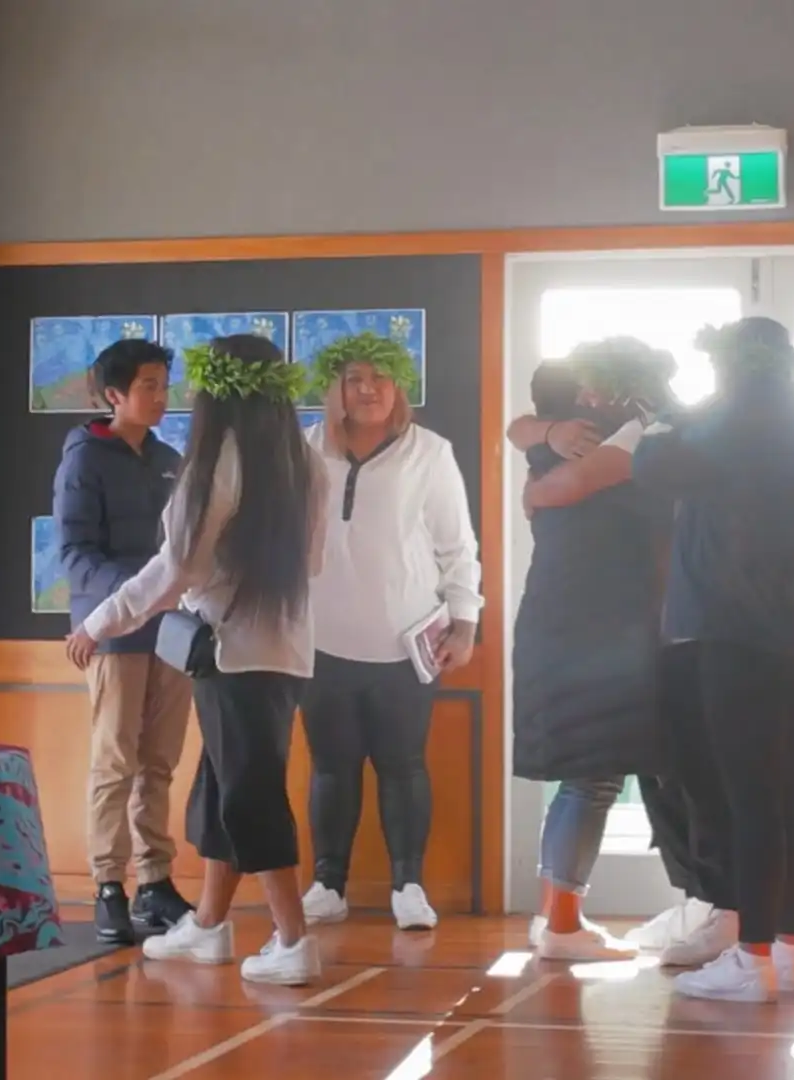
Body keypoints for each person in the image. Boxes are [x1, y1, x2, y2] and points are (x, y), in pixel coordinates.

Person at [64, 333, 332, 986]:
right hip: (284, 652)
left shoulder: (215, 464)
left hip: (232, 652)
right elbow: (313, 562)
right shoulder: (305, 460)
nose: (181, 395)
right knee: (220, 789)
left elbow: (173, 569)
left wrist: (99, 622)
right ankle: (209, 925)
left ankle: (293, 940)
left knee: (249, 796)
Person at [629, 317, 794, 1003]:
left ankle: (751, 958)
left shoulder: (725, 426)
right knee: (777, 795)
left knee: (746, 798)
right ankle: (790, 951)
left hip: (732, 636)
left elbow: (650, 466)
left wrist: (670, 413)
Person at [298, 332, 481, 933]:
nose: (368, 389)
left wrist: (466, 621)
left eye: (379, 378)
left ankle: (409, 884)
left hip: (408, 645)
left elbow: (458, 546)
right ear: (336, 388)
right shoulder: (304, 451)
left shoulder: (430, 452)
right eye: (354, 379)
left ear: (398, 386)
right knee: (331, 766)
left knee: (403, 765)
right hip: (321, 643)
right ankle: (328, 882)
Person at [510, 340, 677, 962]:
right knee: (593, 779)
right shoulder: (629, 440)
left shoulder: (543, 442)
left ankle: (557, 917)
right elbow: (564, 488)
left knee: (586, 778)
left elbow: (523, 440)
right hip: (603, 628)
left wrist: (541, 429)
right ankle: (561, 924)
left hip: (560, 620)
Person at [51, 337, 193, 944]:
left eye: (164, 385)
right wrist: (130, 599)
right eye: (147, 387)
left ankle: (155, 881)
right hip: (112, 632)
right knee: (115, 761)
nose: (161, 398)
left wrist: (167, 596)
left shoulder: (168, 458)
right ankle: (108, 885)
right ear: (114, 395)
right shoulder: (84, 459)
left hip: (173, 632)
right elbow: (75, 555)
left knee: (159, 761)